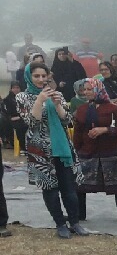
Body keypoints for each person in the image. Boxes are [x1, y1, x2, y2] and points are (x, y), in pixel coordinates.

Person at [16, 64, 85, 238]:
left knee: (69, 188)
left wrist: (56, 104)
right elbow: (31, 122)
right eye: (36, 76)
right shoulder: (22, 97)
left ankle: (75, 223)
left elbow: (67, 120)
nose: (40, 80)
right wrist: (39, 100)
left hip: (62, 146)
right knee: (50, 189)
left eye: (43, 76)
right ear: (29, 77)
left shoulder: (58, 94)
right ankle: (60, 223)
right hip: (40, 150)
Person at [71, 77, 117, 222]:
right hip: (87, 152)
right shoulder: (81, 110)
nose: (86, 92)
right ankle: (79, 214)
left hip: (110, 152)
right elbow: (78, 132)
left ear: (98, 90)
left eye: (89, 89)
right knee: (80, 185)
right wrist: (76, 150)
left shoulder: (113, 109)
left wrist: (105, 130)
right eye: (84, 90)